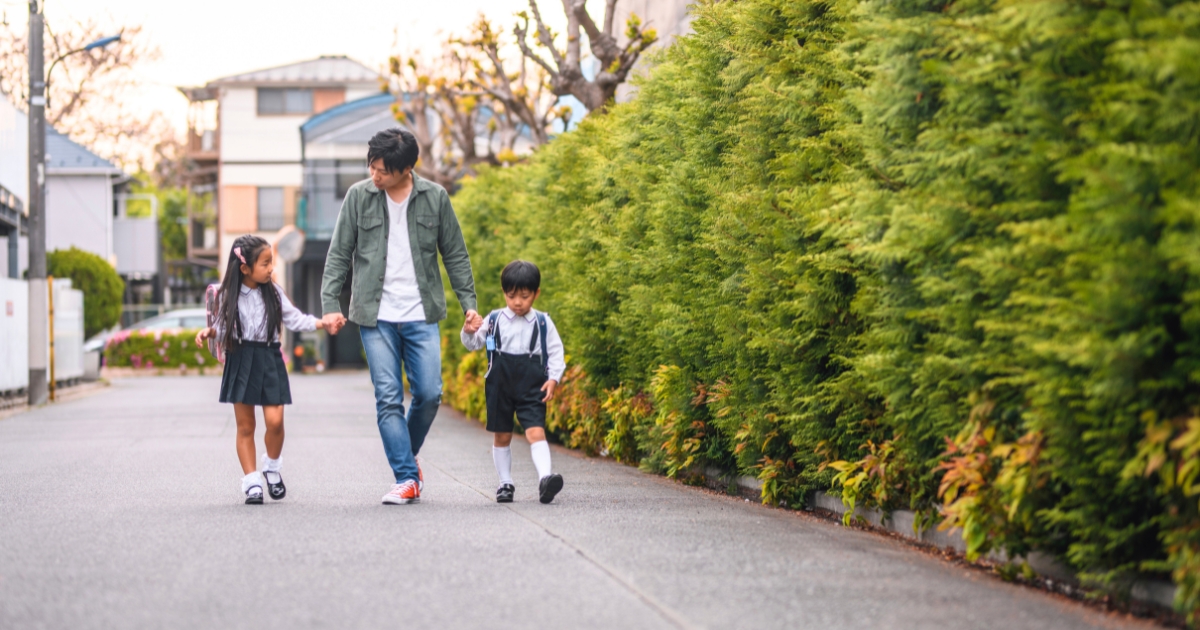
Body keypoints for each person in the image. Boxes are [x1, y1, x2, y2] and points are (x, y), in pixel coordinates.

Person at [320, 127, 481, 505]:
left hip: (421, 313)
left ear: (407, 168)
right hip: (374, 316)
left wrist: (468, 302)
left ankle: (406, 457)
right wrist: (330, 303)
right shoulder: (359, 197)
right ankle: (406, 476)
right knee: (389, 398)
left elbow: (455, 253)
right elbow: (339, 254)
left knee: (429, 393)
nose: (375, 176)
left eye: (383, 170)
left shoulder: (435, 198)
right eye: (371, 167)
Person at [195, 235, 329, 504]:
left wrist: (322, 323)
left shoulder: (275, 293)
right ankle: (252, 482)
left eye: (272, 263)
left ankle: (272, 467)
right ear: (245, 268)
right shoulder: (227, 296)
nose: (271, 269)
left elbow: (296, 319)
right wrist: (210, 331)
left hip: (269, 357)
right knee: (246, 426)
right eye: (265, 264)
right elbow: (223, 327)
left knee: (276, 422)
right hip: (241, 356)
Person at [461, 260, 565, 504]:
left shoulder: (543, 322)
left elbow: (556, 352)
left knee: (536, 431)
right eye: (512, 296)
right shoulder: (494, 319)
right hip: (500, 385)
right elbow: (474, 344)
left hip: (532, 385)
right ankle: (505, 483)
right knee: (502, 436)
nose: (518, 302)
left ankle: (545, 479)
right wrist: (468, 329)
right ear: (504, 293)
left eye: (525, 296)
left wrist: (553, 379)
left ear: (536, 294)